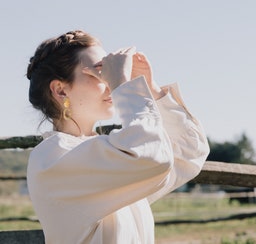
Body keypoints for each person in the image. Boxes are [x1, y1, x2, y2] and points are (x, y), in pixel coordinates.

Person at [26, 30, 210, 244]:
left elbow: (189, 153)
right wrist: (124, 86)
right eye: (99, 71)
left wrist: (151, 89)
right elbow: (151, 157)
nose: (109, 79)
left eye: (108, 71)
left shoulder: (108, 154)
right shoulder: (52, 158)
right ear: (61, 90)